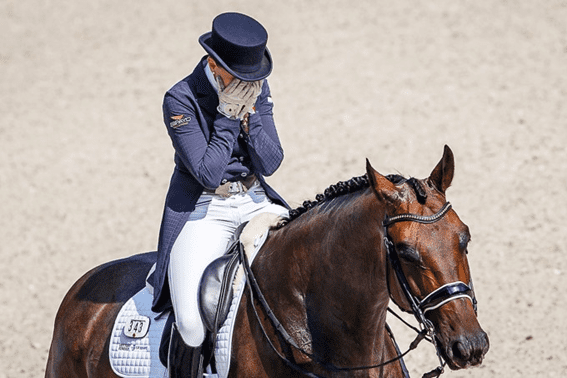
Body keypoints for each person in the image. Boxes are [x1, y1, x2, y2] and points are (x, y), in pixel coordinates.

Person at [151, 12, 290, 378]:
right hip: (204, 207)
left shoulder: (257, 89)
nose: (251, 86)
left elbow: (271, 161)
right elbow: (208, 172)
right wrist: (228, 116)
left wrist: (252, 117)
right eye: (242, 79)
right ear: (214, 64)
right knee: (191, 322)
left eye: (256, 78)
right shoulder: (180, 100)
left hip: (255, 199)